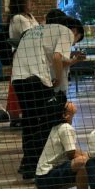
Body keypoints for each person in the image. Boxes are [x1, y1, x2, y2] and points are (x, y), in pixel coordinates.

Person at [10, 15, 86, 179]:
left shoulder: (35, 31)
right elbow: (57, 57)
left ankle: (28, 166)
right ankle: (39, 165)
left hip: (17, 79)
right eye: (76, 39)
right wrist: (57, 79)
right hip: (37, 80)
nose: (73, 43)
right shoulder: (65, 31)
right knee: (47, 122)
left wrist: (72, 61)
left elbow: (55, 59)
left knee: (30, 121)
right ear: (75, 31)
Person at [34, 101, 95, 189]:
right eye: (66, 104)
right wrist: (91, 159)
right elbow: (71, 154)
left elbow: (73, 151)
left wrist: (90, 156)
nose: (68, 102)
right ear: (65, 115)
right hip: (46, 178)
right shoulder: (66, 128)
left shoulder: (59, 127)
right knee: (84, 164)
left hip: (42, 178)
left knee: (87, 162)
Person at [5, 0, 37, 126]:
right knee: (19, 85)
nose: (31, 2)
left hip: (32, 55)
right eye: (28, 0)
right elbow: (30, 34)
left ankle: (28, 113)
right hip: (22, 56)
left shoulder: (30, 16)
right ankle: (15, 116)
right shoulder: (18, 18)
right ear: (22, 2)